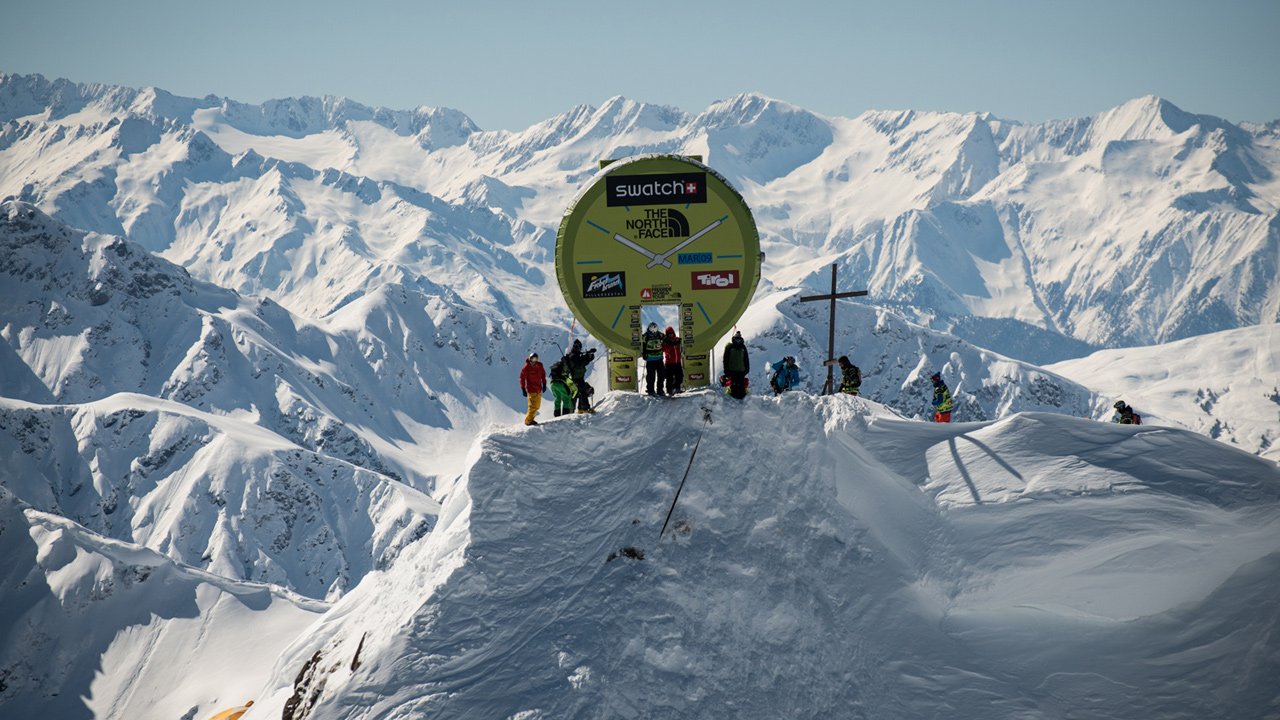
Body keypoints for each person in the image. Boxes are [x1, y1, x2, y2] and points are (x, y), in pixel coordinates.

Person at [565, 339, 598, 413]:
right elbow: (580, 363)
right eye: (578, 347)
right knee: (583, 392)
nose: (579, 348)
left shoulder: (576, 355)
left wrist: (589, 355)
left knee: (582, 392)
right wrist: (587, 356)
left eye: (579, 347)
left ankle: (581, 409)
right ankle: (585, 409)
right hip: (575, 379)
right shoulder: (573, 356)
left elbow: (583, 362)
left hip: (579, 378)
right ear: (575, 347)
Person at [518, 352, 547, 426]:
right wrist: (523, 388)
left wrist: (544, 384)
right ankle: (528, 421)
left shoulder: (540, 365)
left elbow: (543, 374)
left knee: (537, 406)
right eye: (532, 359)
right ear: (529, 358)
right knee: (532, 406)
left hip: (538, 389)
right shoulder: (526, 367)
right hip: (531, 389)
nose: (533, 361)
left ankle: (531, 419)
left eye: (535, 359)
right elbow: (522, 378)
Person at [722, 331, 750, 399]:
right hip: (732, 371)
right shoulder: (730, 347)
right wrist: (726, 370)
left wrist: (746, 370)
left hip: (741, 371)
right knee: (733, 385)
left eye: (739, 339)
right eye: (736, 339)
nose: (738, 341)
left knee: (741, 386)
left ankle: (741, 397)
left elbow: (746, 359)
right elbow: (725, 359)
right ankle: (732, 398)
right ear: (734, 339)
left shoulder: (743, 348)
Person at [641, 322, 665, 396]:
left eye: (655, 328)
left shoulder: (660, 334)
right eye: (652, 328)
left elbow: (666, 339)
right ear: (649, 328)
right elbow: (642, 345)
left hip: (659, 359)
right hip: (650, 359)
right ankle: (650, 390)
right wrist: (644, 354)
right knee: (651, 376)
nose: (654, 330)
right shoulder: (646, 336)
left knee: (661, 375)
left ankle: (660, 390)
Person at [661, 326, 684, 396]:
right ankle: (669, 390)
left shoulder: (677, 340)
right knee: (669, 378)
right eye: (669, 333)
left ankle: (677, 388)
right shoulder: (665, 342)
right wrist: (666, 342)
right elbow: (663, 349)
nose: (671, 334)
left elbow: (682, 342)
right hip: (669, 363)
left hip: (677, 362)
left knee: (680, 376)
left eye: (672, 333)